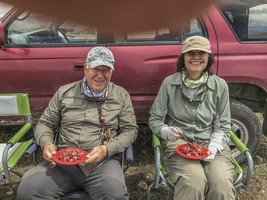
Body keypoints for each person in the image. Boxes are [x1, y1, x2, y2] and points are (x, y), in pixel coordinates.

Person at [16, 46, 138, 200]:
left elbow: (130, 130)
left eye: (105, 70)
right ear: (86, 69)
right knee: (29, 190)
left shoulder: (121, 95)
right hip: (63, 164)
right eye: (96, 69)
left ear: (111, 72)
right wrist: (46, 143)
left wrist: (107, 149)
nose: (100, 75)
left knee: (116, 195)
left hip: (102, 165)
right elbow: (45, 123)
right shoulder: (64, 92)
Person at [148, 35, 235, 200]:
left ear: (209, 58)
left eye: (201, 53)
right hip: (179, 144)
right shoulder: (169, 83)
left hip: (211, 142)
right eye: (190, 53)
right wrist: (166, 131)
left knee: (221, 184)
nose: (196, 57)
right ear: (183, 58)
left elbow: (223, 126)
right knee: (193, 182)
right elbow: (154, 120)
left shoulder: (220, 86)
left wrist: (213, 148)